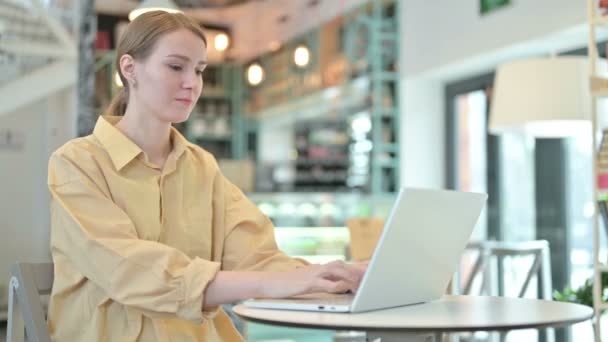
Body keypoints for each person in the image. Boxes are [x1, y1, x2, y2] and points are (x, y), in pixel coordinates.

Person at [46, 10, 366, 342]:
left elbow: (257, 259)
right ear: (130, 69)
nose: (192, 83)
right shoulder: (76, 163)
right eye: (176, 67)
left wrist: (342, 275)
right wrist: (278, 282)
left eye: (199, 70)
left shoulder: (202, 167)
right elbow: (128, 270)